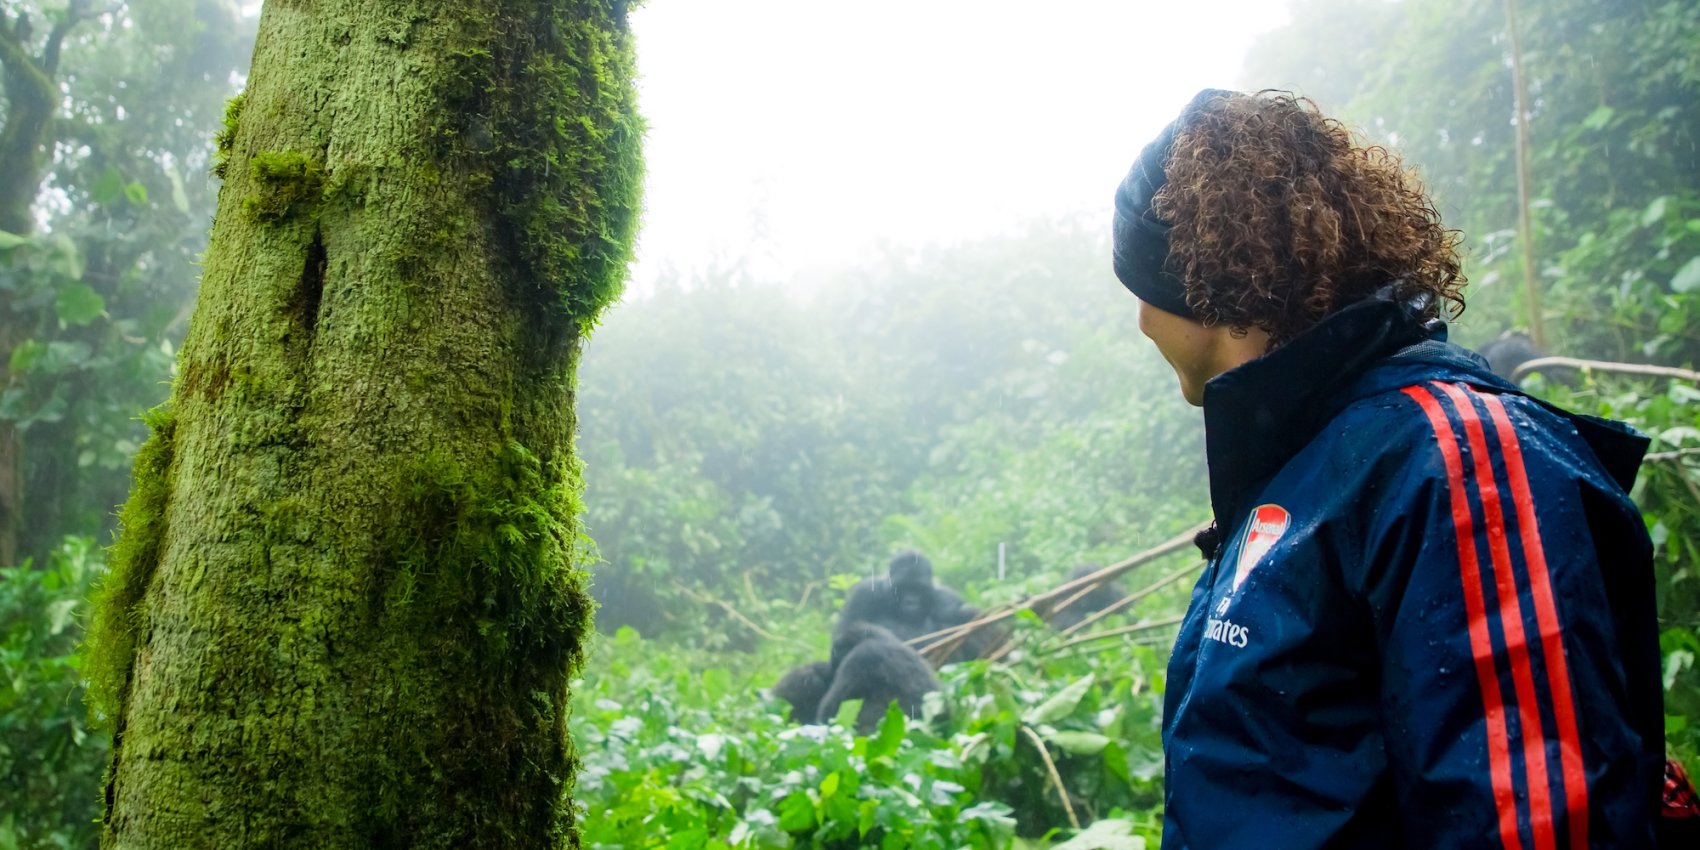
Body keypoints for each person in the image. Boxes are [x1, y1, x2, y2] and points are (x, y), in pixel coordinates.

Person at [1112, 89, 1674, 848]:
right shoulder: (1301, 473)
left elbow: (1539, 815)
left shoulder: (1456, 461)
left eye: (1139, 289)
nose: (1139, 321)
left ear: (1200, 287)